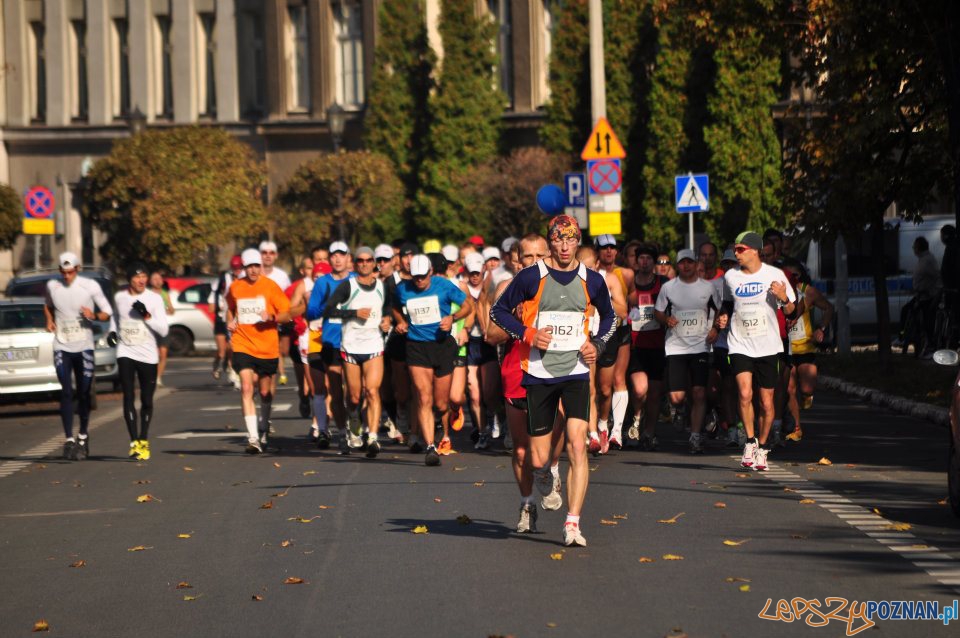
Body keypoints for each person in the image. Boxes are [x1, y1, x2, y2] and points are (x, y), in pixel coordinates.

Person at [490, 215, 616, 547]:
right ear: (551, 242)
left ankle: (572, 523)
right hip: (538, 373)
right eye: (558, 240)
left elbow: (611, 317)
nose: (564, 246)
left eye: (570, 239)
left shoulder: (593, 280)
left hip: (575, 370)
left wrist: (597, 344)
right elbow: (498, 312)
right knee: (537, 457)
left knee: (577, 444)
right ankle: (546, 472)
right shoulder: (532, 277)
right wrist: (528, 333)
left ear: (578, 242)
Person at [485, 233, 564, 533]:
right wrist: (514, 325)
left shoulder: (562, 286)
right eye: (526, 257)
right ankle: (527, 503)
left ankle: (551, 467)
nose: (533, 262)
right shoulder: (507, 289)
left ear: (550, 256)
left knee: (558, 427)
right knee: (520, 450)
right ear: (517, 261)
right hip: (517, 370)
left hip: (555, 367)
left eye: (539, 256)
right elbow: (491, 335)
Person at [715, 232, 797, 472]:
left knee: (766, 401)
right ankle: (749, 442)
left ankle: (762, 447)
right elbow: (727, 304)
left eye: (740, 249)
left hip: (768, 345)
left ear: (754, 250)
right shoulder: (730, 277)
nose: (736, 254)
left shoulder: (775, 275)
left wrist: (783, 298)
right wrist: (723, 317)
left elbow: (792, 312)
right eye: (734, 250)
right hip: (740, 343)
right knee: (744, 393)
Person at [392, 254, 474, 466]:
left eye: (422, 276)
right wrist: (400, 321)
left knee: (440, 402)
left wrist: (453, 318)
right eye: (415, 276)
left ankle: (441, 426)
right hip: (416, 347)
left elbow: (468, 306)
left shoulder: (443, 286)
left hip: (442, 346)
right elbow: (393, 306)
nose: (419, 281)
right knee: (423, 396)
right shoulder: (403, 288)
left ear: (430, 272)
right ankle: (430, 446)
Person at [323, 246, 392, 459]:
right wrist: (354, 312)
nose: (364, 264)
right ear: (355, 263)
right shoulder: (347, 286)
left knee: (372, 391)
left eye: (368, 260)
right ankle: (353, 419)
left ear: (374, 263)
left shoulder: (382, 286)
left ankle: (372, 437)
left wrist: (387, 319)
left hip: (374, 346)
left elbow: (388, 308)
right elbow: (329, 310)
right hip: (351, 347)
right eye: (360, 261)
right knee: (354, 396)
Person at [44, 252, 114, 460]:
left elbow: (107, 311)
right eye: (63, 273)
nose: (67, 276)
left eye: (71, 272)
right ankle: (68, 440)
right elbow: (47, 306)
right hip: (62, 345)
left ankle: (83, 435)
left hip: (84, 346)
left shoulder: (90, 286)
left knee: (84, 393)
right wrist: (49, 320)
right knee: (66, 391)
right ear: (59, 271)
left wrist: (94, 316)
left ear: (78, 269)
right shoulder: (52, 286)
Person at [654, 249, 721, 454]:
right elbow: (657, 311)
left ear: (695, 263)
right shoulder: (668, 288)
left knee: (699, 392)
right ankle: (679, 409)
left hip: (700, 345)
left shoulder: (707, 287)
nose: (686, 266)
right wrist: (666, 319)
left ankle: (695, 436)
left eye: (690, 262)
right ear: (678, 265)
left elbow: (719, 309)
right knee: (677, 397)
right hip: (676, 345)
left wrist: (715, 328)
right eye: (682, 263)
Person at [226, 248, 291, 454]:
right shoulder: (236, 287)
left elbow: (286, 314)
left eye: (256, 266)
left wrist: (270, 316)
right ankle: (253, 438)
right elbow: (230, 307)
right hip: (242, 344)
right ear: (244, 268)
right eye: (249, 267)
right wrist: (230, 321)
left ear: (261, 267)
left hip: (267, 347)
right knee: (246, 387)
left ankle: (264, 426)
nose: (253, 270)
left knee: (265, 392)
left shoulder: (271, 287)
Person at [115, 262, 169, 461]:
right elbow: (115, 321)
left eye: (144, 276)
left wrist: (146, 316)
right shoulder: (120, 298)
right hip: (125, 351)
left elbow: (163, 330)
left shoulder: (154, 298)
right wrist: (112, 334)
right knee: (128, 396)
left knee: (146, 400)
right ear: (129, 279)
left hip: (148, 355)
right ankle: (134, 442)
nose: (141, 280)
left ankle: (143, 438)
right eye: (137, 277)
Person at [306, 242, 355, 453]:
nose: (337, 259)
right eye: (333, 255)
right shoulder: (322, 283)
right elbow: (310, 313)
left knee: (355, 393)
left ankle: (358, 428)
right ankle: (343, 433)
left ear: (348, 258)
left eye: (341, 255)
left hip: (355, 342)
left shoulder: (356, 281)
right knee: (335, 392)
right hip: (331, 344)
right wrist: (325, 306)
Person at [783, 258, 834, 440]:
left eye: (795, 275)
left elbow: (828, 308)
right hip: (787, 349)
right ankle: (796, 427)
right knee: (789, 389)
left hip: (805, 348)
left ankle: (806, 397)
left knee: (806, 390)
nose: (792, 278)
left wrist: (822, 328)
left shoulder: (808, 292)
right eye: (788, 275)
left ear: (801, 275)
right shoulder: (778, 292)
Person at [627, 243, 669, 450]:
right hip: (635, 345)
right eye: (641, 258)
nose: (644, 262)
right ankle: (636, 416)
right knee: (639, 389)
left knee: (653, 393)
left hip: (657, 345)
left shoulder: (663, 283)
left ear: (653, 262)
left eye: (648, 258)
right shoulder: (629, 282)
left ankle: (649, 432)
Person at [593, 235, 633, 452]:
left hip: (619, 328)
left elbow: (630, 302)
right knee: (594, 387)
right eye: (604, 248)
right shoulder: (585, 275)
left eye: (612, 247)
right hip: (592, 332)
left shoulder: (625, 274)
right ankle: (594, 429)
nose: (609, 251)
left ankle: (616, 430)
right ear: (596, 251)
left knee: (616, 380)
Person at [212, 255, 244, 382]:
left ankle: (231, 369)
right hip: (221, 317)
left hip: (234, 316)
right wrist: (217, 306)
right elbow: (214, 294)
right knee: (222, 351)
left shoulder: (244, 278)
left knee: (232, 346)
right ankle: (217, 363)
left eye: (239, 267)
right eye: (235, 268)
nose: (237, 270)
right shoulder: (223, 279)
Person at [148, 270, 174, 386]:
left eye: (159, 279)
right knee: (154, 354)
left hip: (163, 327)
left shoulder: (165, 294)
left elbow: (172, 310)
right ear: (150, 281)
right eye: (155, 279)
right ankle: (150, 377)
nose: (158, 281)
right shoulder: (147, 294)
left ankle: (158, 377)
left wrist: (167, 309)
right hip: (151, 328)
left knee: (163, 354)